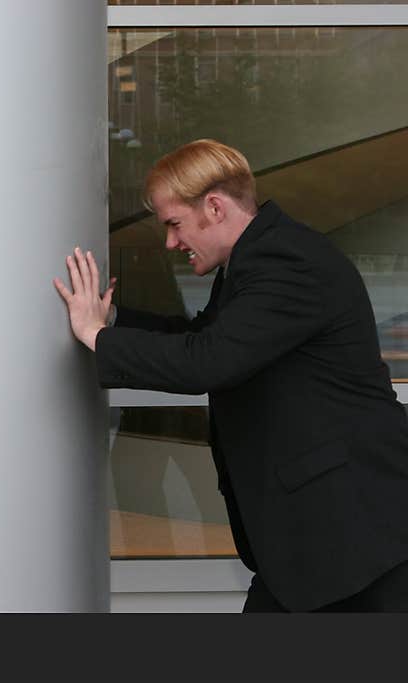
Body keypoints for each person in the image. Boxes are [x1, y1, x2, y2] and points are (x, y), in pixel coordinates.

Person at [54, 139, 408, 612]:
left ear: (215, 207)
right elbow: (201, 335)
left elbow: (207, 360)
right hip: (324, 542)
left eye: (175, 224)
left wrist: (96, 336)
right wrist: (111, 318)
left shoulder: (287, 263)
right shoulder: (254, 261)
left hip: (359, 538)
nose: (170, 243)